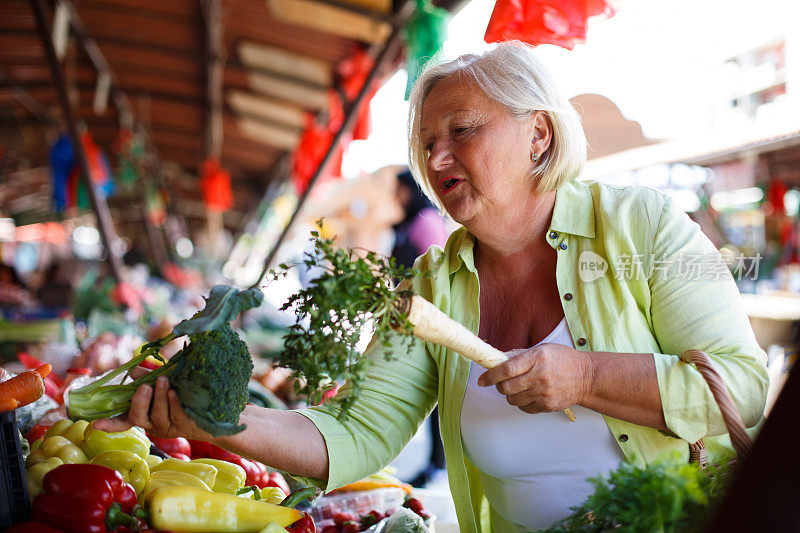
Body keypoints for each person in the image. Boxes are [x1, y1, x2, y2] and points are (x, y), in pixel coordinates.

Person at [96, 42, 768, 532]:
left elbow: (742, 386)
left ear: (538, 133)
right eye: (427, 143)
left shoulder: (641, 225)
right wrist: (219, 420)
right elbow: (357, 432)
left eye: (462, 130)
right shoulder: (432, 281)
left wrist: (586, 374)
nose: (438, 157)